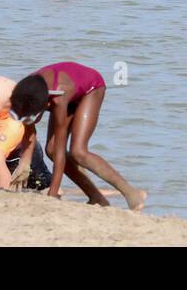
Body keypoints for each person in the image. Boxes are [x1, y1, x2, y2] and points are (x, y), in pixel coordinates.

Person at [11, 63, 146, 209]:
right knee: (51, 150)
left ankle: (132, 194)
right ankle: (96, 197)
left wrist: (53, 194)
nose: (26, 122)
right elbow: (29, 132)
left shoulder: (58, 100)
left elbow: (60, 150)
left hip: (91, 88)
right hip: (66, 89)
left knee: (78, 151)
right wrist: (25, 162)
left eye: (30, 118)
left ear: (45, 105)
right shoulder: (26, 93)